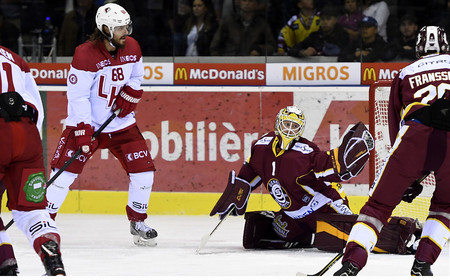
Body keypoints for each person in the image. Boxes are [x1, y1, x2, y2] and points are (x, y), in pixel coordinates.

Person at [334, 26, 450, 276]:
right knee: (446, 207)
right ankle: (423, 263)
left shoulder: (406, 72)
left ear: (419, 47)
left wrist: (409, 174)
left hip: (414, 139)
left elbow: (396, 126)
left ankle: (352, 262)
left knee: (377, 206)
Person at [45, 3, 158, 247]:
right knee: (62, 176)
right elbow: (78, 96)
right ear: (105, 28)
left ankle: (137, 221)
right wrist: (84, 130)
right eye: (119, 27)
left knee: (144, 173)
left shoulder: (133, 46)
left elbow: (137, 77)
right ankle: (44, 222)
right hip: (87, 126)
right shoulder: (84, 54)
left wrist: (131, 93)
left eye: (126, 26)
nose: (125, 31)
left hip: (122, 125)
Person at [210, 106, 378, 251]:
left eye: (295, 126)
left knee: (347, 240)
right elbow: (250, 172)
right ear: (278, 124)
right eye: (286, 124)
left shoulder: (305, 152)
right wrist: (237, 194)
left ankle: (374, 233)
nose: (290, 130)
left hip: (324, 208)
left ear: (301, 130)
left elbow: (330, 165)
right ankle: (309, 237)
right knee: (258, 236)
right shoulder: (261, 148)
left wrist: (345, 159)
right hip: (293, 216)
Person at [0, 45, 65, 275]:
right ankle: (51, 255)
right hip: (27, 135)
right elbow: (38, 108)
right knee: (32, 209)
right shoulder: (15, 59)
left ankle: (4, 259)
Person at [210, 0, 276, 56]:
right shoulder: (228, 22)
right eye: (244, 0)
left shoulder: (262, 24)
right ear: (239, 2)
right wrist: (220, 64)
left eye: (250, 1)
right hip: (230, 65)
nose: (247, 3)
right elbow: (214, 47)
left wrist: (260, 49)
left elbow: (272, 46)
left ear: (256, 4)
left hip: (253, 65)